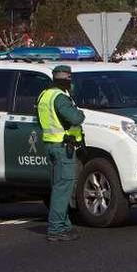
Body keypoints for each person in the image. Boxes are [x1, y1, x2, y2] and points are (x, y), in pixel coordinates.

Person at [37, 65, 85, 242]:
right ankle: (56, 228)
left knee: (58, 187)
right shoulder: (60, 98)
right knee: (63, 188)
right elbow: (75, 118)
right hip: (62, 147)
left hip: (50, 144)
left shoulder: (44, 95)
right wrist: (80, 112)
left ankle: (64, 225)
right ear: (67, 80)